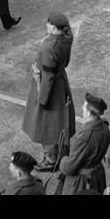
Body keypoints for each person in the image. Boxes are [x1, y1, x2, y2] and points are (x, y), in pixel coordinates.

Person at [23, 11, 76, 168]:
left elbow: (48, 77)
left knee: (47, 124)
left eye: (48, 23)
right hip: (61, 83)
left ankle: (51, 159)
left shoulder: (49, 47)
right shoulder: (66, 40)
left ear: (54, 27)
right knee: (59, 121)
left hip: (48, 86)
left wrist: (43, 98)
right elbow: (64, 64)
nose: (46, 24)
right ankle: (61, 151)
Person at [58, 94, 110, 194]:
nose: (82, 108)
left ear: (89, 112)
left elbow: (70, 168)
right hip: (98, 176)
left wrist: (63, 159)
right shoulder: (105, 128)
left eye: (84, 106)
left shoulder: (84, 136)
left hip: (81, 183)